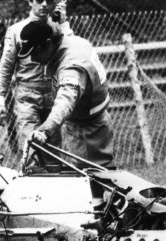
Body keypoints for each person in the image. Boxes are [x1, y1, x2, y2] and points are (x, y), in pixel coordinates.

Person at [18, 21, 114, 168]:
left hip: (88, 131)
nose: (33, 59)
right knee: (96, 173)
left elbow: (65, 102)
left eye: (35, 52)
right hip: (87, 121)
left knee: (93, 177)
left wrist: (44, 131)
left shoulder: (71, 67)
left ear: (48, 43)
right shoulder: (74, 42)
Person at [0, 0, 73, 164]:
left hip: (53, 96)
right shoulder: (16, 31)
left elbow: (71, 52)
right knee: (29, 153)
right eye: (38, 0)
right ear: (30, 2)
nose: (44, 4)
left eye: (48, 0)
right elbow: (6, 67)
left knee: (54, 155)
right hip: (27, 98)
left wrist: (64, 22)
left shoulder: (58, 28)